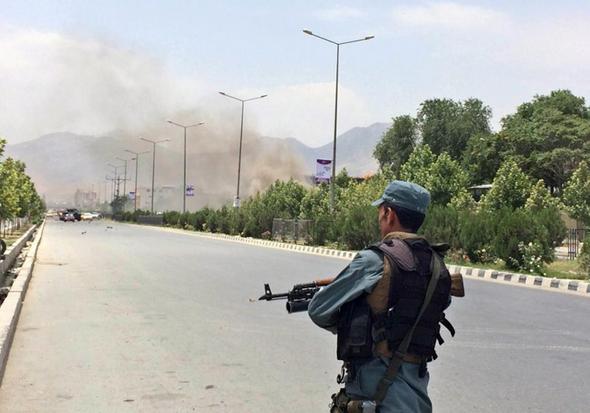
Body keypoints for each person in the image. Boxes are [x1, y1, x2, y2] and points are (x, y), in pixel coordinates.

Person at [308, 180, 454, 413]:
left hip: (376, 398)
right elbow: (438, 305)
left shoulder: (374, 260)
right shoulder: (437, 265)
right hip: (416, 400)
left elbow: (318, 309)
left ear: (388, 213)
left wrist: (356, 324)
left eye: (380, 211)